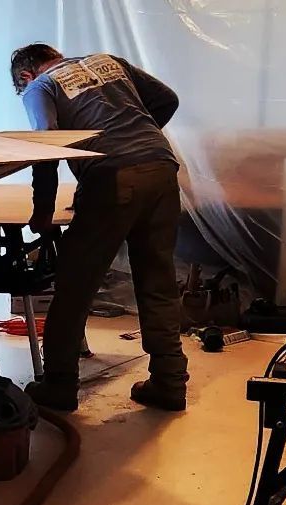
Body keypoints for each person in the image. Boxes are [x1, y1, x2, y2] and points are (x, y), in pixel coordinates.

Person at [10, 43, 189, 413]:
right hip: (161, 167)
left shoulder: (40, 87)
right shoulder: (107, 62)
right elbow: (167, 99)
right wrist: (134, 136)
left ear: (26, 76)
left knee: (75, 283)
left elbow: (46, 145)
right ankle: (169, 382)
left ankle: (59, 385)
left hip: (112, 178)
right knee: (158, 281)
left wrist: (42, 211)